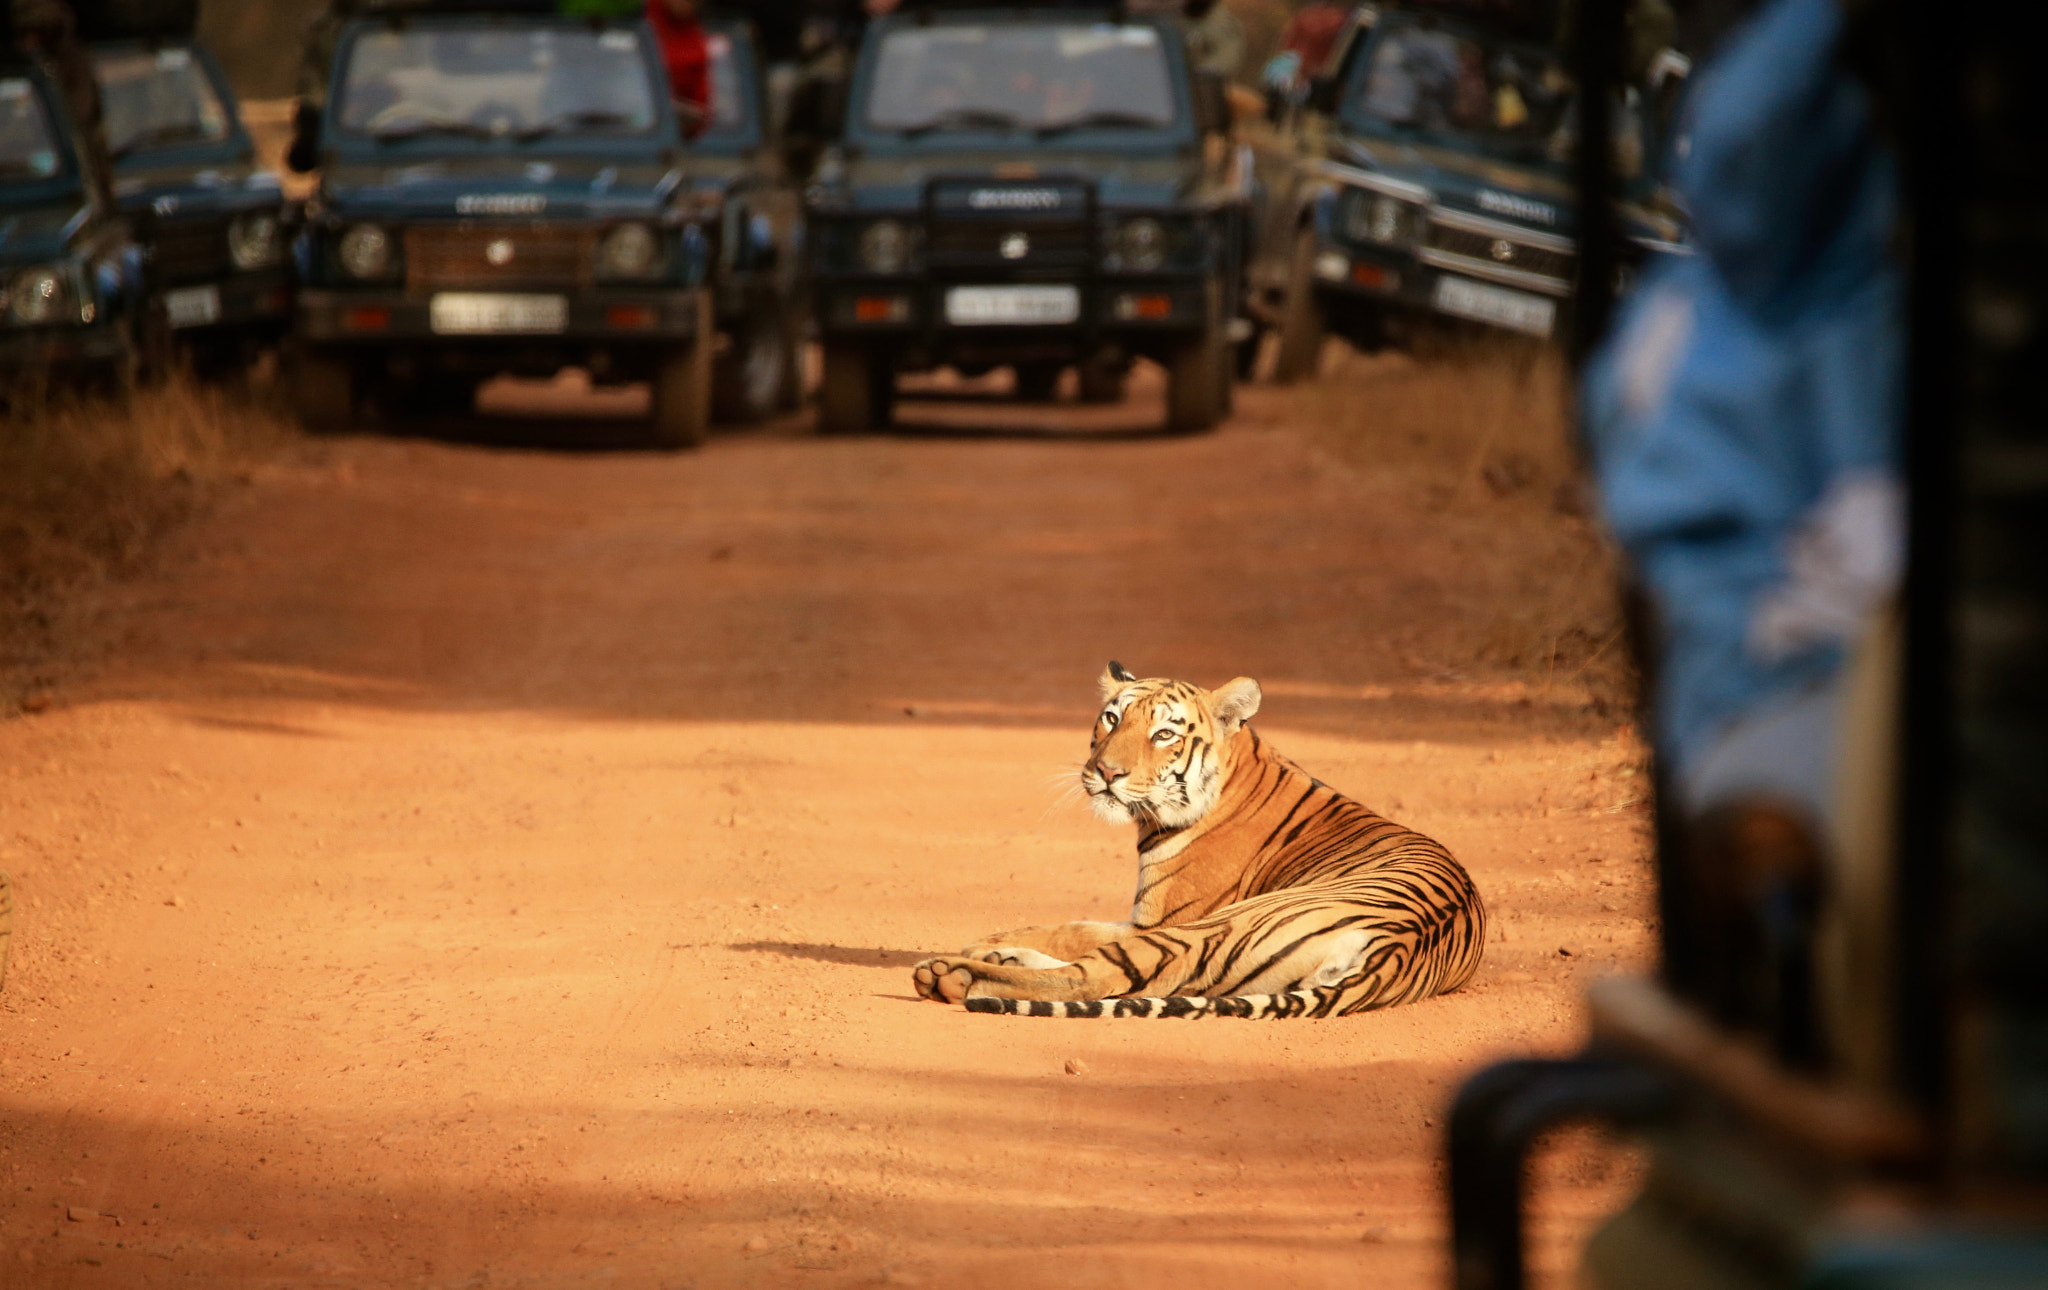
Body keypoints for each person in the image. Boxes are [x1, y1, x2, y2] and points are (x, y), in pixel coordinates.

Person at [644, 0, 708, 133]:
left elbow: (701, 104)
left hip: (670, 133)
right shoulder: (642, 26)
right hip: (628, 128)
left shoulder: (697, 42)